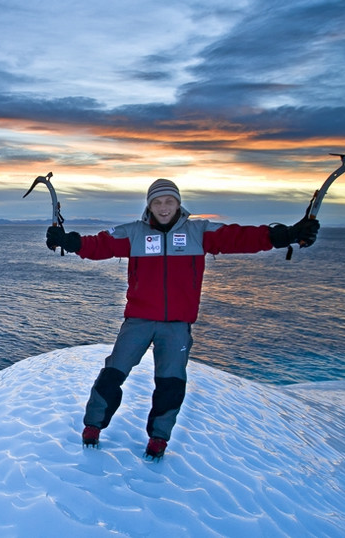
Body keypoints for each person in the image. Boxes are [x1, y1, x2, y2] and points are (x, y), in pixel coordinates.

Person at [45, 178, 319, 459]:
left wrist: (285, 235)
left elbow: (240, 237)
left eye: (169, 201)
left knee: (170, 384)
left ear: (178, 204)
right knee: (113, 373)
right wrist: (69, 241)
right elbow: (99, 245)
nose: (163, 208)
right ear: (149, 205)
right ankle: (93, 426)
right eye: (157, 202)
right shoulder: (135, 233)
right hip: (138, 320)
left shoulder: (198, 231)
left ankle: (159, 439)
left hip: (177, 325)